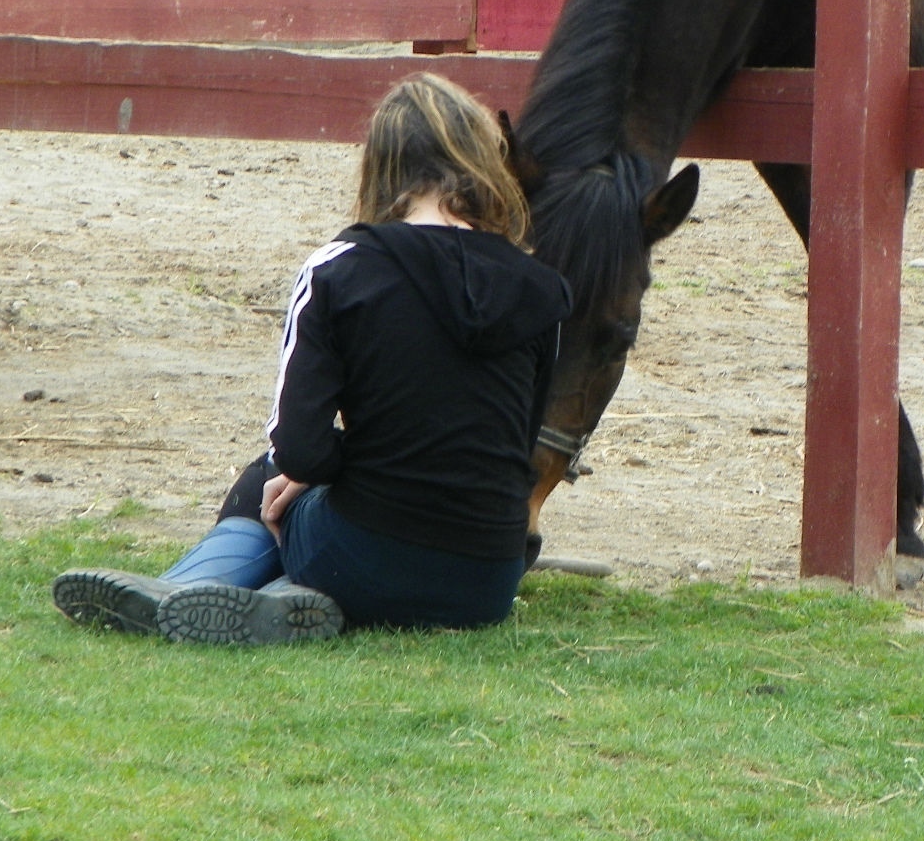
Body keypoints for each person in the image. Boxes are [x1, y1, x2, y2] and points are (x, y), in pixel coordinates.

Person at [52, 74, 572, 645]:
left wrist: (326, 470)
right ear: (482, 163)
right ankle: (283, 601)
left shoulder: (340, 268)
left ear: (382, 164)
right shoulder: (543, 288)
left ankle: (185, 589)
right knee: (327, 495)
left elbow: (298, 447)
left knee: (268, 477)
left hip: (366, 554)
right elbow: (513, 445)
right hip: (487, 581)